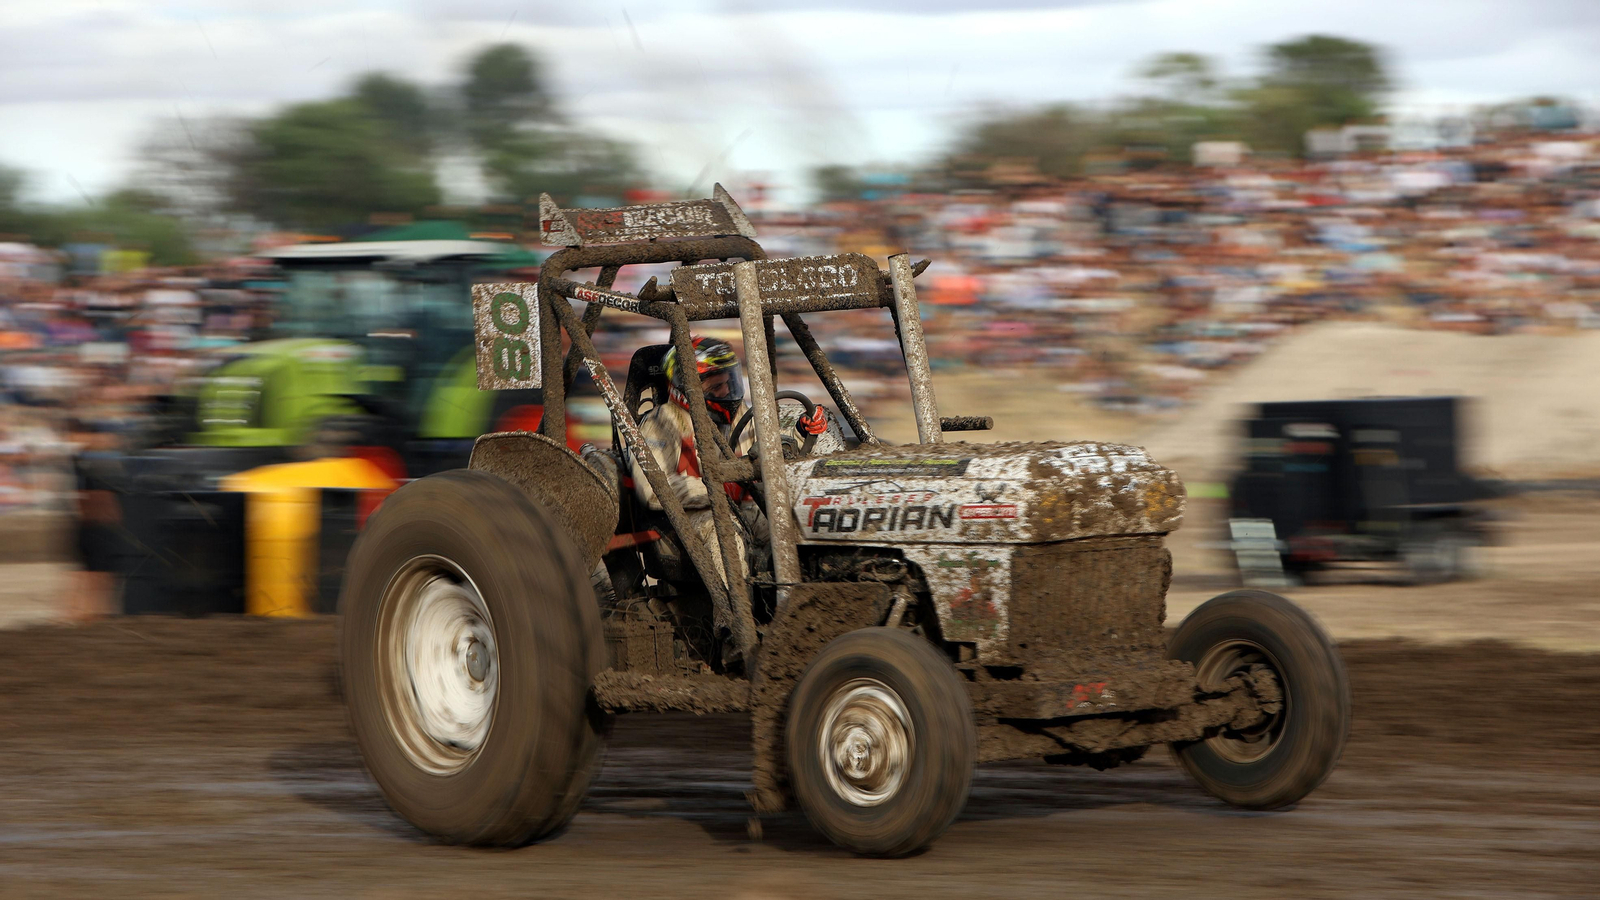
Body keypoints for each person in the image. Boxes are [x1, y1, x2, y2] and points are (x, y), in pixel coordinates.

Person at [628, 336, 759, 587]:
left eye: (728, 382)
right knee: (726, 532)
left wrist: (800, 432)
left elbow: (768, 447)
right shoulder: (661, 421)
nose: (725, 392)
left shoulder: (742, 412)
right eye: (715, 386)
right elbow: (651, 489)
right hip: (690, 517)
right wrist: (714, 491)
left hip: (743, 506)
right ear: (687, 388)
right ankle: (732, 618)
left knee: (781, 521)